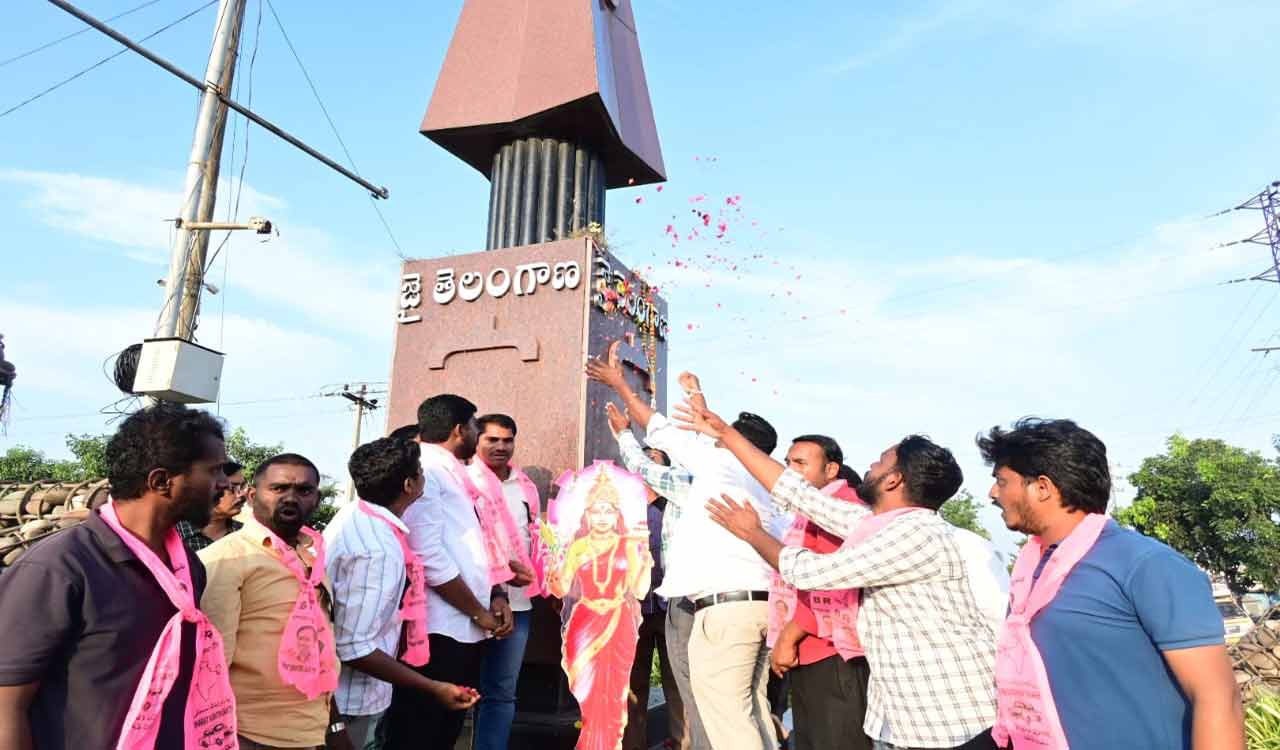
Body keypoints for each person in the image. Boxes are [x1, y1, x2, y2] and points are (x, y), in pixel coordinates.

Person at [680, 401, 999, 750]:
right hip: (912, 718)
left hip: (952, 722)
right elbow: (798, 494)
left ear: (894, 479)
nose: (870, 467)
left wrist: (752, 532)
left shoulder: (916, 535)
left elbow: (809, 571)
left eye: (880, 461)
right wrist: (725, 433)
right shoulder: (878, 525)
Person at [977, 418, 1244, 750]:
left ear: (1042, 488)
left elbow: (1219, 699)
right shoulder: (1032, 571)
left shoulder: (1145, 565)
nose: (992, 494)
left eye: (1002, 482)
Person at [0, 403, 233, 750]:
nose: (225, 484)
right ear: (162, 481)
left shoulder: (187, 567)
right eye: (214, 471)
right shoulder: (60, 567)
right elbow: (6, 706)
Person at [588, 346, 781, 750]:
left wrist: (620, 385)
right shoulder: (770, 482)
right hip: (764, 604)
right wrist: (697, 398)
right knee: (753, 710)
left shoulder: (718, 465)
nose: (708, 432)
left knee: (728, 719)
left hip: (724, 609)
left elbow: (653, 426)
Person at [326, 437, 479, 749]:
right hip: (354, 702)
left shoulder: (357, 515)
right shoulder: (378, 550)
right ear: (410, 485)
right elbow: (355, 647)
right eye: (421, 472)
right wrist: (433, 687)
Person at [383, 394, 513, 750]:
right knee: (422, 730)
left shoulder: (455, 471)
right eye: (475, 426)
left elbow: (475, 544)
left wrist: (497, 594)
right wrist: (477, 610)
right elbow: (429, 555)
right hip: (438, 626)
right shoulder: (424, 469)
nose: (476, 433)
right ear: (460, 430)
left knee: (445, 729)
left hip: (464, 623)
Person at [199, 453, 345, 750]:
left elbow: (321, 649)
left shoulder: (313, 556)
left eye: (304, 491)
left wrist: (335, 725)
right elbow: (209, 666)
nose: (291, 498)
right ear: (253, 496)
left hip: (308, 729)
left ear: (317, 499)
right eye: (278, 489)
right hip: (250, 733)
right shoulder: (227, 558)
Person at [607, 401, 705, 750]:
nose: (648, 471)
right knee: (631, 688)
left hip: (673, 608)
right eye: (642, 465)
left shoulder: (681, 505)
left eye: (656, 463)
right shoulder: (616, 509)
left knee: (681, 682)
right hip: (630, 609)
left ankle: (684, 743)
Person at [770, 435, 872, 750]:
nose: (790, 471)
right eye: (787, 463)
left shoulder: (840, 506)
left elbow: (831, 585)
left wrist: (788, 638)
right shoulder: (809, 511)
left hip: (831, 651)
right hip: (811, 649)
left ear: (831, 469)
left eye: (800, 463)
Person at [548, 469, 653, 750]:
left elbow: (641, 590)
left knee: (615, 693)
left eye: (608, 511)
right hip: (584, 623)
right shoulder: (576, 547)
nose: (603, 517)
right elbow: (561, 590)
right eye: (596, 511)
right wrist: (552, 567)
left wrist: (645, 561)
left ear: (617, 514)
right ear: (587, 514)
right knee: (586, 692)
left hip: (618, 624)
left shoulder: (629, 545)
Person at [468, 414, 542, 750]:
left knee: (501, 690)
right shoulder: (465, 481)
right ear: (475, 439)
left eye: (507, 440)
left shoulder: (523, 485)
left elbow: (536, 536)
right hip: (467, 599)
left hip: (519, 602)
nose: (500, 447)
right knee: (455, 686)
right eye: (492, 440)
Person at [179, 460, 247, 551]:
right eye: (232, 488)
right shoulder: (177, 534)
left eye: (242, 487)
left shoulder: (245, 534)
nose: (241, 494)